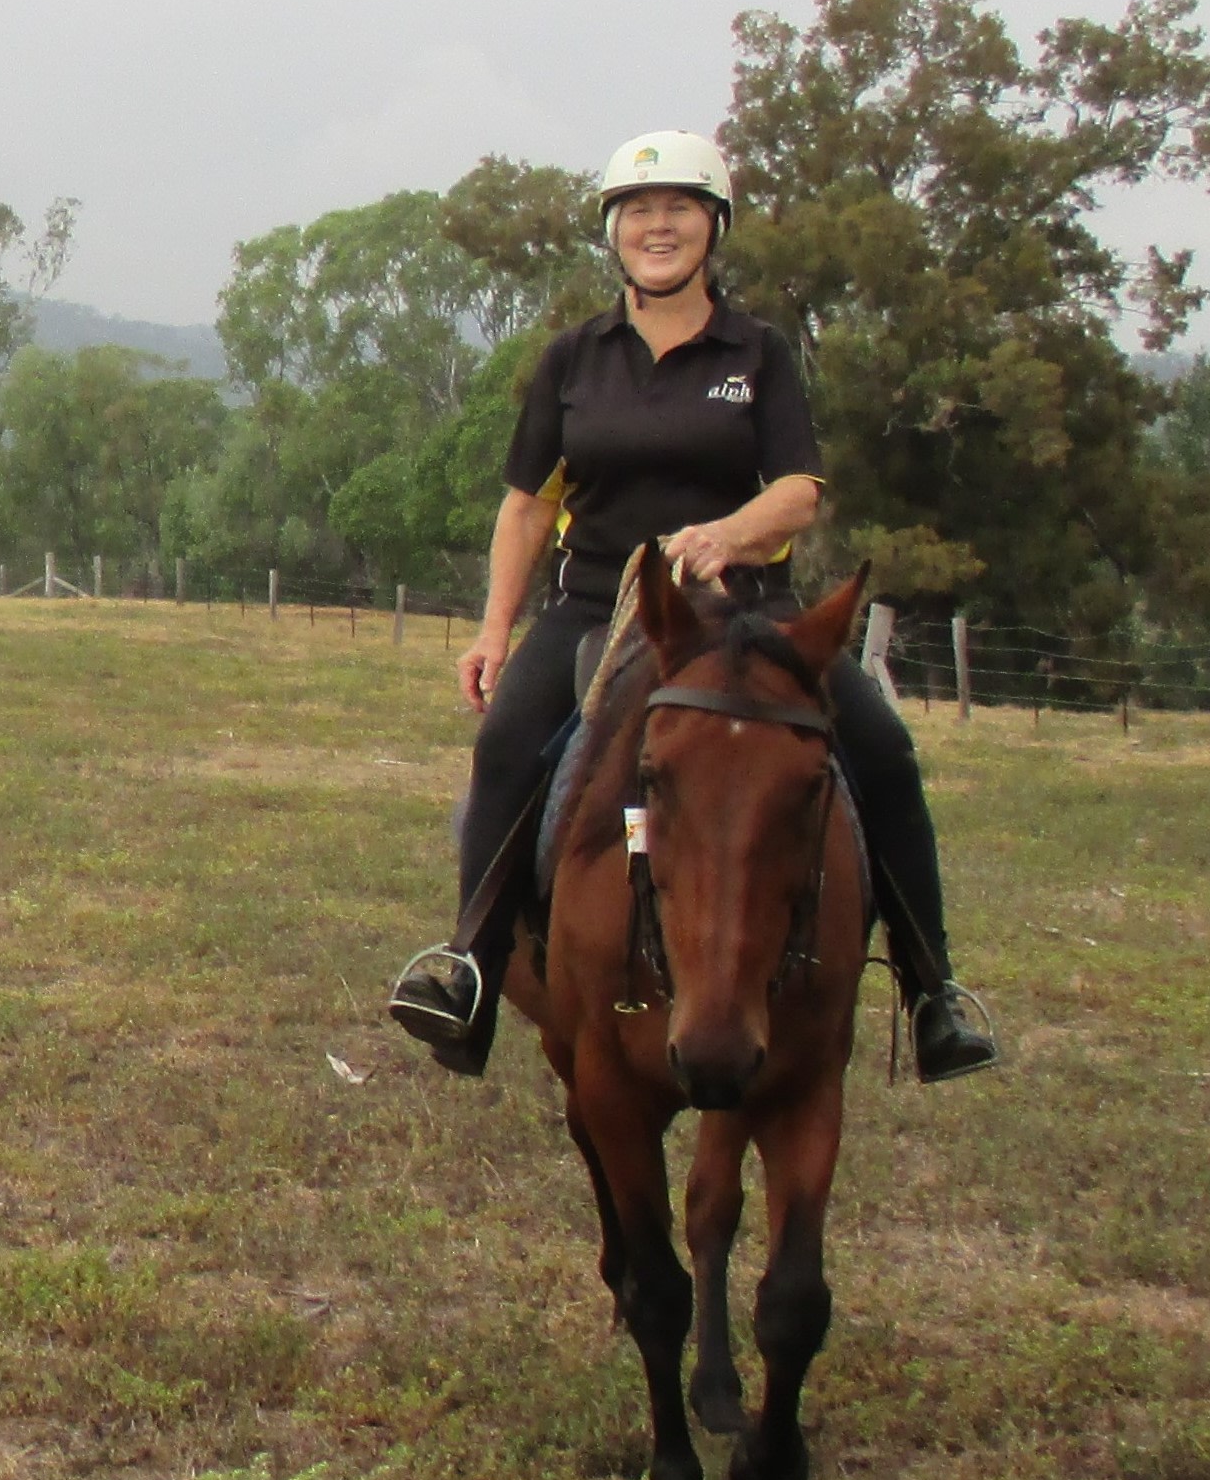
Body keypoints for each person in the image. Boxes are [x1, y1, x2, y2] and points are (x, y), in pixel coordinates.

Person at [385, 129, 997, 1083]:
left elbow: (799, 487)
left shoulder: (759, 353)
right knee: (506, 748)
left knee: (882, 748)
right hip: (599, 607)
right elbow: (526, 502)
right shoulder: (573, 359)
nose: (656, 225)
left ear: (714, 225)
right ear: (613, 232)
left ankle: (934, 993)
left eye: (678, 208)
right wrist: (494, 630)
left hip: (749, 613)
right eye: (637, 210)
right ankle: (468, 967)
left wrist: (731, 533)